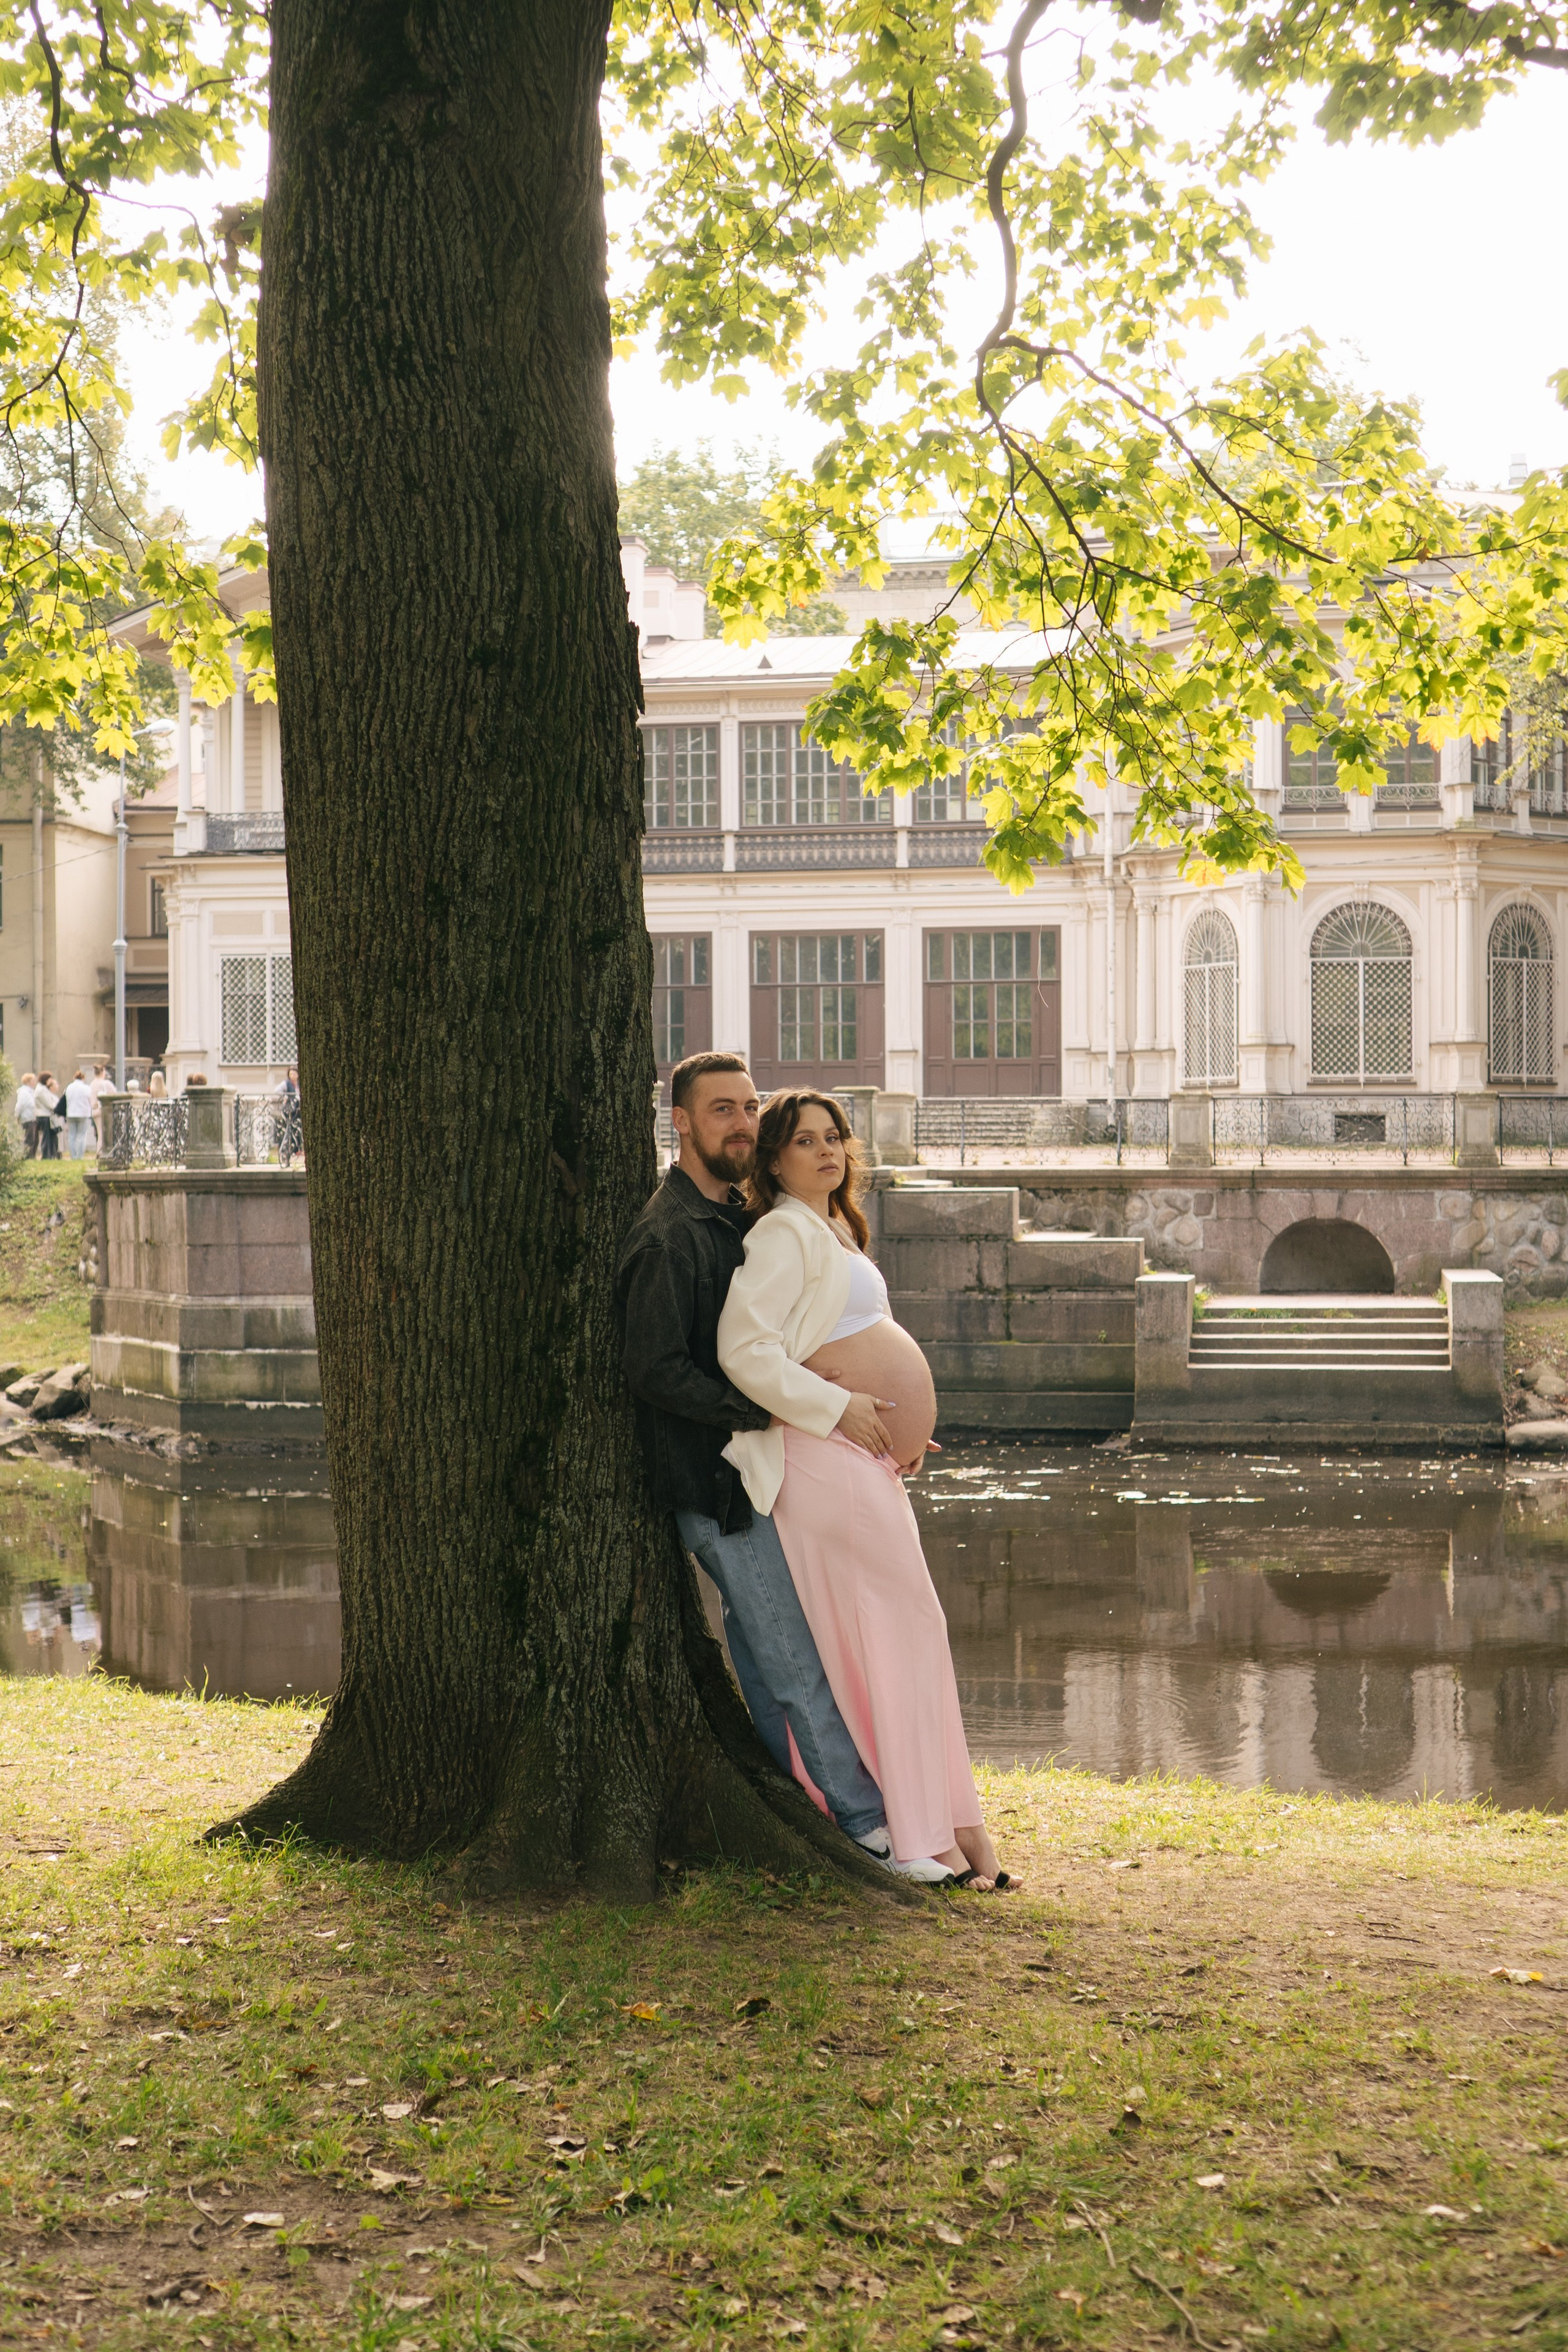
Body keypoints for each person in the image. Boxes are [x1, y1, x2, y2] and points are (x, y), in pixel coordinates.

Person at [617, 1052, 911, 1872]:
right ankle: (865, 1825)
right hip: (717, 1486)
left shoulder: (742, 1219)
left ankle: (796, 1796)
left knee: (764, 1646)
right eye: (721, 1111)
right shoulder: (670, 1234)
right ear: (680, 1122)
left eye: (750, 1108)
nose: (743, 1123)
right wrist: (771, 1404)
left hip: (773, 1473)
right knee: (790, 1655)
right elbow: (655, 1368)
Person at [717, 1088, 1018, 1891]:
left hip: (860, 1460)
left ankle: (956, 1835)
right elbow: (745, 1352)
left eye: (836, 1138)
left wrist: (903, 1428)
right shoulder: (781, 1233)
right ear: (772, 1159)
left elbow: (841, 1339)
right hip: (819, 1459)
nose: (826, 1151)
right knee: (887, 1635)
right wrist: (844, 1405)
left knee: (904, 1632)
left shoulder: (833, 1231)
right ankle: (915, 1833)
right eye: (805, 1140)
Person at [62, 1069, 94, 1159]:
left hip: (71, 1113)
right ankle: (80, 1156)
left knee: (72, 1136)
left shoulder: (69, 1087)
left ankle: (73, 1156)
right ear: (83, 1078)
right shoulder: (86, 1088)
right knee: (81, 1135)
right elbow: (91, 1100)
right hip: (83, 1114)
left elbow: (65, 1099)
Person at [274, 1066, 302, 1167]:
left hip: (298, 1110)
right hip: (290, 1110)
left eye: (294, 1074)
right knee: (289, 1129)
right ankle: (289, 1151)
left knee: (297, 1128)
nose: (292, 1076)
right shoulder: (287, 1084)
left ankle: (297, 1150)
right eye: (290, 1074)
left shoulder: (299, 1084)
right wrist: (285, 1096)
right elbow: (277, 1091)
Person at [33, 1072, 58, 1159]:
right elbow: (49, 1103)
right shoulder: (41, 1090)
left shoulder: (43, 1089)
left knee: (50, 1136)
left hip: (47, 1115)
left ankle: (51, 1154)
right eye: (50, 1080)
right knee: (46, 1136)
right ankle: (46, 1155)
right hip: (44, 1116)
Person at [13, 1072, 36, 1159]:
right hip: (27, 1118)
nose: (34, 1082)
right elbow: (20, 1105)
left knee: (32, 1139)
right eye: (32, 1081)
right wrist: (17, 1116)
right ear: (27, 1082)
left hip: (32, 1118)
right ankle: (26, 1157)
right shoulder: (24, 1092)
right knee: (29, 1139)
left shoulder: (31, 1092)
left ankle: (30, 1156)